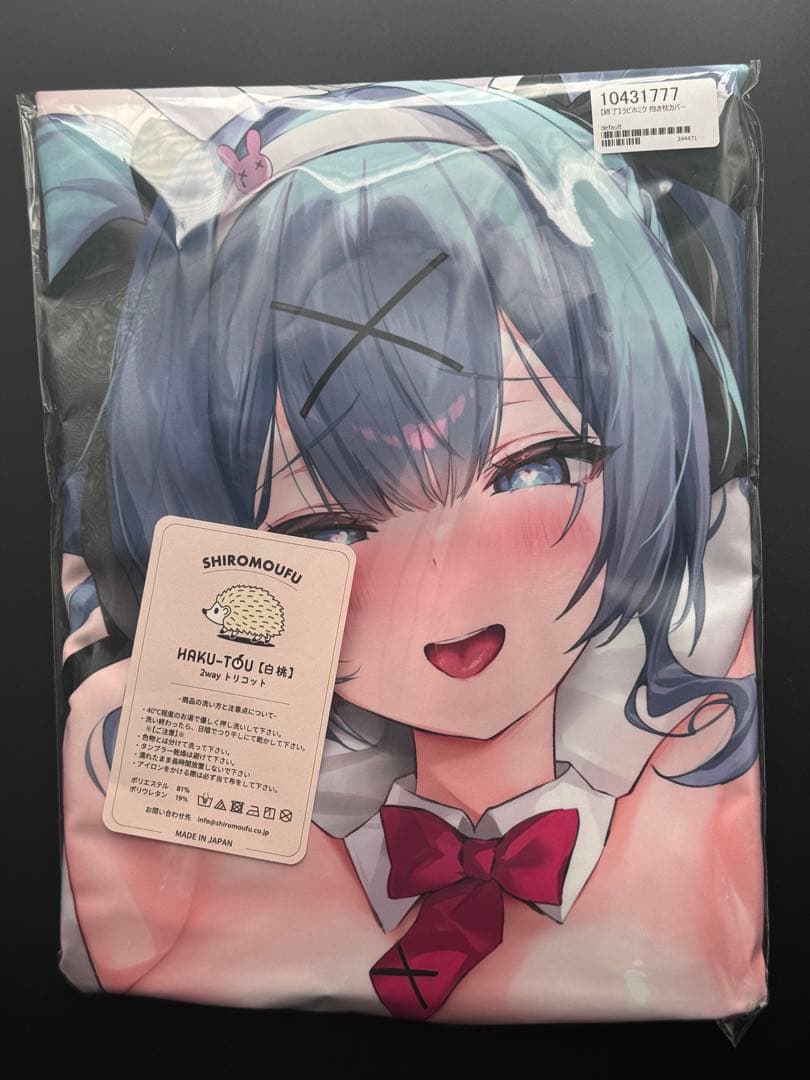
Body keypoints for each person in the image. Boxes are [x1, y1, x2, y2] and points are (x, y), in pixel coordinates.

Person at [50, 80, 764, 1020]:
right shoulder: (185, 873)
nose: (444, 582)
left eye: (532, 470)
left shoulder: (706, 814)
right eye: (330, 530)